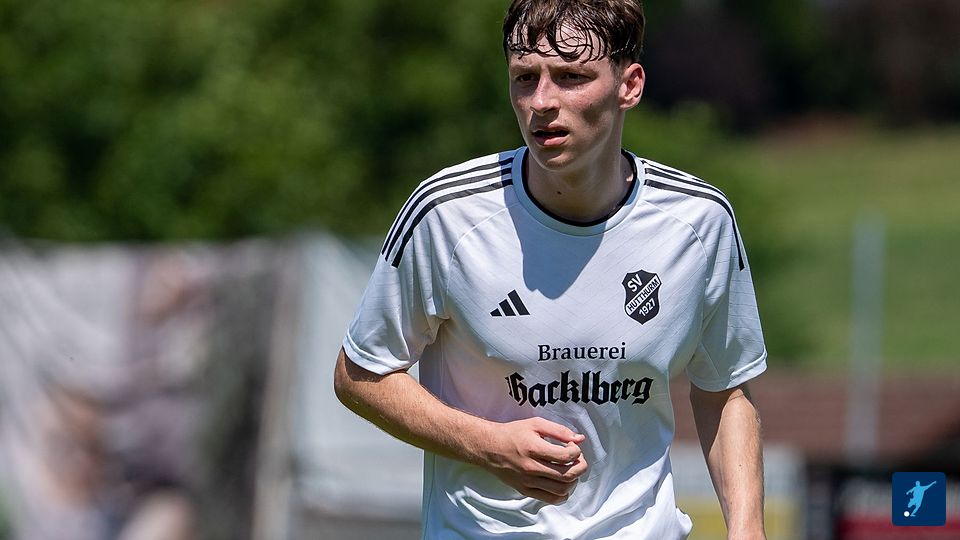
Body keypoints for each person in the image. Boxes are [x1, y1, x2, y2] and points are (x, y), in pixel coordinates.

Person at [334, 0, 767, 538]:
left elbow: (725, 389)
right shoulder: (446, 214)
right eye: (525, 78)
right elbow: (360, 375)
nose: (541, 101)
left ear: (629, 85)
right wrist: (488, 445)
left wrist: (747, 528)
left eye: (570, 77)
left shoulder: (699, 222)